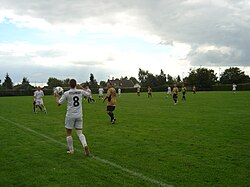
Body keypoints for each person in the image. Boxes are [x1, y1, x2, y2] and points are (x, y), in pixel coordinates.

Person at [55, 79, 91, 156]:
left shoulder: (66, 93)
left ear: (69, 85)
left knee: (68, 133)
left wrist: (57, 96)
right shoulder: (80, 91)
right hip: (79, 115)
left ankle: (71, 150)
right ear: (76, 84)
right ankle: (85, 145)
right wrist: (81, 87)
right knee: (80, 133)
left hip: (70, 115)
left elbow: (58, 104)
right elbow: (89, 94)